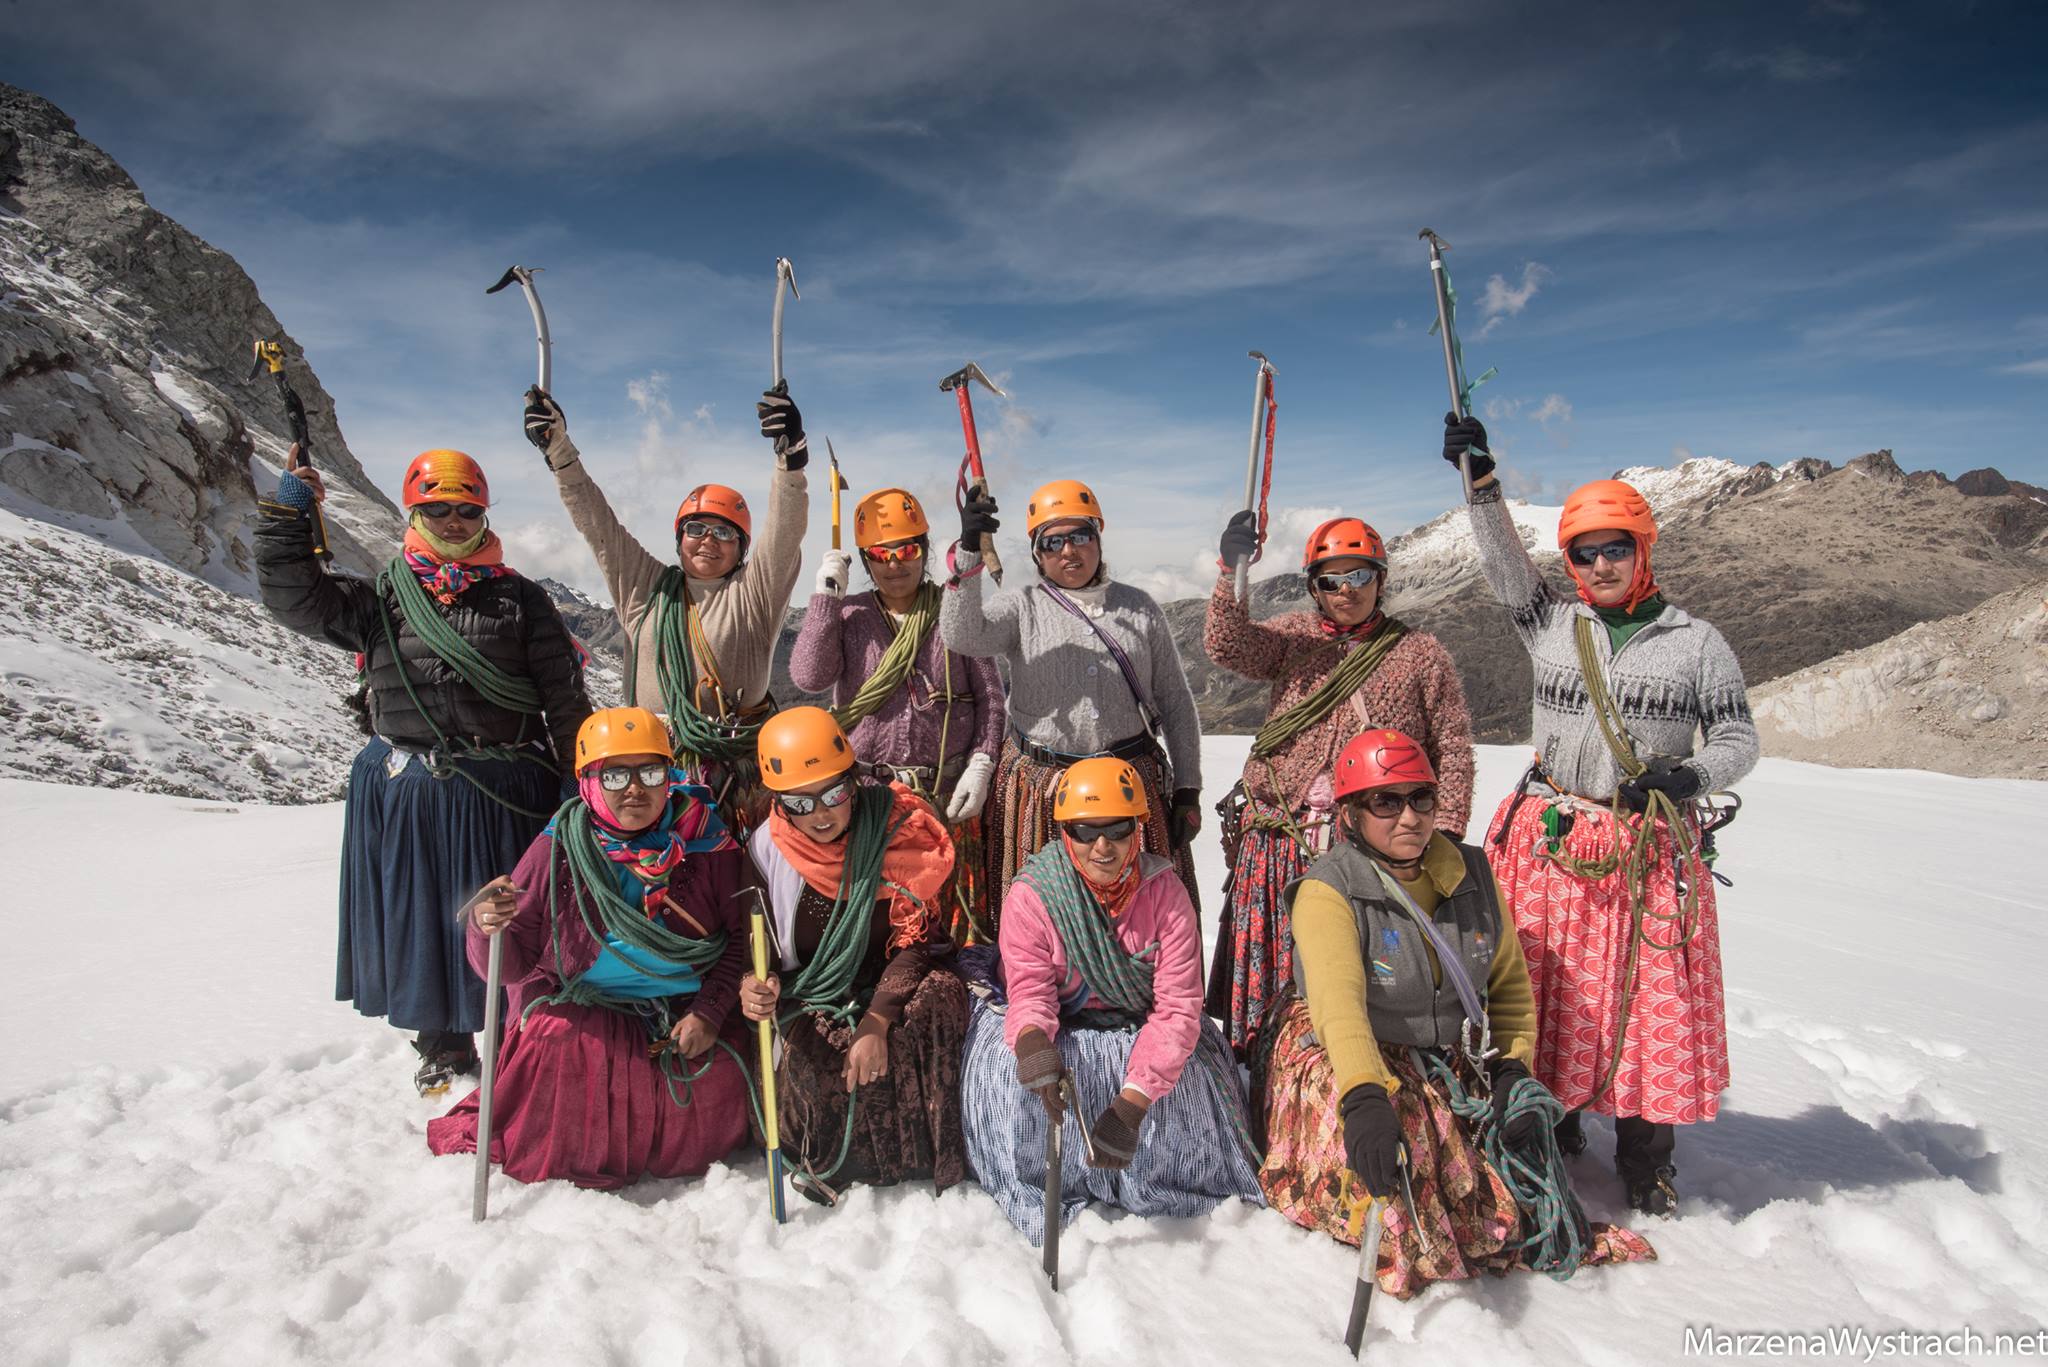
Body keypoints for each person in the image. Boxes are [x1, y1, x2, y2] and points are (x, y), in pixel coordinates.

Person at [1442, 412, 1758, 1216]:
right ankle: (1558, 1117)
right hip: (1551, 838)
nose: (1601, 563)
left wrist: (1691, 775)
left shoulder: (1697, 642)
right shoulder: (1552, 621)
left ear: (1643, 548)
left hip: (1644, 843)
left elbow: (1737, 735)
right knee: (1545, 986)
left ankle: (1647, 1156)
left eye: (1615, 546)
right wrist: (1480, 483)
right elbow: (1504, 564)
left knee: (1645, 995)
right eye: (1585, 552)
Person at [1259, 730, 1655, 1298]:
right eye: (1386, 802)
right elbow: (1339, 1008)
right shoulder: (1331, 891)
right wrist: (1365, 1097)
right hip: (1356, 1052)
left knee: (1506, 1184)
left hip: (1449, 1051)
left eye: (1420, 798)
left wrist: (1513, 1070)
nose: (1410, 817)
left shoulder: (1471, 872)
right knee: (1408, 1175)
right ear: (1350, 813)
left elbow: (1509, 986)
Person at [257, 447, 591, 1095]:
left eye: (467, 510)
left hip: (504, 789)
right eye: (439, 509)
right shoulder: (380, 597)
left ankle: (524, 1032)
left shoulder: (521, 600)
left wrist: (578, 789)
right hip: (415, 789)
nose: (455, 520)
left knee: (506, 916)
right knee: (427, 919)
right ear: (416, 510)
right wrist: (291, 510)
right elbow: (294, 595)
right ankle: (440, 1044)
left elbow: (565, 700)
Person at [425, 707, 753, 1187]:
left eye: (650, 771)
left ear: (670, 775)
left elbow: (742, 941)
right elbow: (510, 967)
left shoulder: (709, 843)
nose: (635, 788)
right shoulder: (557, 848)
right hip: (584, 999)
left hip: (685, 1002)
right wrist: (486, 927)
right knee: (560, 1048)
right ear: (589, 782)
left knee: (715, 1072)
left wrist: (709, 1011)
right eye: (615, 774)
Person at [1205, 512, 1476, 1058]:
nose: (1346, 590)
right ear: (1314, 587)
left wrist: (1441, 833)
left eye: (1359, 576)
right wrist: (1230, 570)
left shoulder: (1419, 653)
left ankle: (1360, 1079)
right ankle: (1270, 1080)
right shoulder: (1294, 640)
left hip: (1372, 846)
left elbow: (1451, 745)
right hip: (1284, 837)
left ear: (1381, 579)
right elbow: (1227, 645)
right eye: (1331, 579)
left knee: (1362, 972)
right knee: (1278, 972)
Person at [960, 758, 1263, 1245]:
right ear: (1065, 832)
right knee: (1007, 1071)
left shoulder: (1166, 896)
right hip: (1060, 1022)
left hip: (1141, 1027)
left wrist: (1133, 1104)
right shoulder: (1033, 897)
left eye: (1118, 829)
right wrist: (1034, 1045)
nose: (1103, 846)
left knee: (1188, 1073)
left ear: (1137, 829)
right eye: (1085, 830)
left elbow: (1178, 1008)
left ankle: (1162, 1180)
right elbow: (1030, 992)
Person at [521, 384, 806, 824]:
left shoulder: (754, 594)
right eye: (696, 528)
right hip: (650, 768)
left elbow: (785, 533)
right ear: (679, 539)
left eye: (725, 532)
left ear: (743, 547)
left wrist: (790, 462)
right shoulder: (645, 587)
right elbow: (598, 523)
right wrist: (560, 451)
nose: (709, 540)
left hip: (733, 772)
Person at [939, 479, 1204, 932]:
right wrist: (967, 552)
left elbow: (1176, 703)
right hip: (1041, 790)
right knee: (1046, 923)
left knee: (1140, 923)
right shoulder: (1022, 607)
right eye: (1052, 542)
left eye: (1080, 536)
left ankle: (1148, 997)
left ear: (1099, 538)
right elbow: (962, 634)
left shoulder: (1139, 609)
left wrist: (1187, 790)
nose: (1069, 552)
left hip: (1129, 788)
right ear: (1038, 554)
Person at [739, 706, 967, 1202]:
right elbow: (757, 945)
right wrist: (760, 983)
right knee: (817, 1059)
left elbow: (918, 937)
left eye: (834, 794)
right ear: (777, 803)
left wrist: (877, 1021)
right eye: (800, 803)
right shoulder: (766, 853)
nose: (821, 815)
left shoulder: (899, 829)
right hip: (816, 989)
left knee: (938, 1002)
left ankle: (924, 1156)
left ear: (854, 782)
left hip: (895, 976)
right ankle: (837, 1162)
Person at [789, 488, 1006, 943]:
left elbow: (989, 697)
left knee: (950, 928)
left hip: (945, 797)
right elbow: (809, 675)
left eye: (907, 549)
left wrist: (982, 763)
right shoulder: (850, 616)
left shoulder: (954, 612)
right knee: (884, 929)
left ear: (924, 550)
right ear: (865, 561)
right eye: (880, 554)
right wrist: (826, 597)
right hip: (873, 803)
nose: (895, 564)